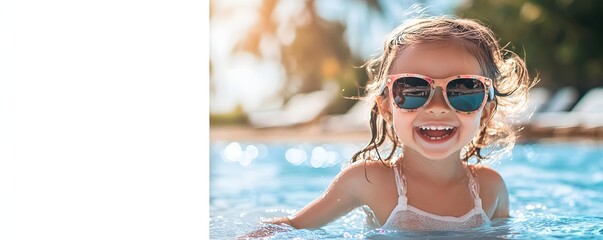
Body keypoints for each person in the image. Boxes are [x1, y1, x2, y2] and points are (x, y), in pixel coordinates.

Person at [242, 15, 537, 237]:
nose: (437, 106)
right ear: (386, 106)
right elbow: (294, 228)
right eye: (413, 89)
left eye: (463, 90)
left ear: (485, 110)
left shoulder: (490, 188)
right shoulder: (368, 181)